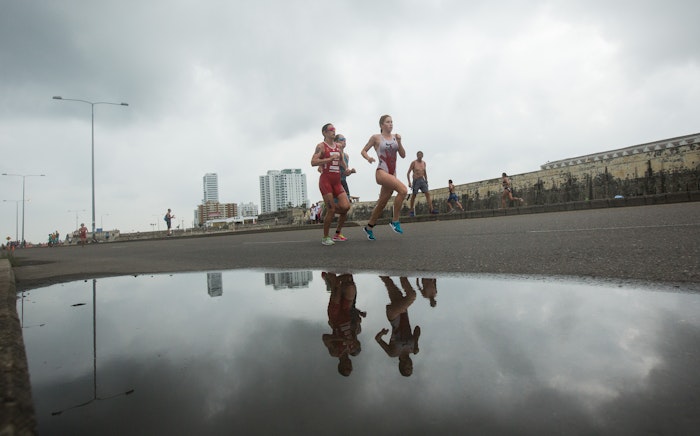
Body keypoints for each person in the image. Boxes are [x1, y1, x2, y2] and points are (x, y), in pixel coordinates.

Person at [360, 115, 408, 240]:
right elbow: (363, 151)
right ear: (382, 125)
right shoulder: (376, 138)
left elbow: (403, 155)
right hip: (381, 172)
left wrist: (399, 141)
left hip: (392, 174)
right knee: (403, 190)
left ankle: (369, 227)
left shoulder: (396, 137)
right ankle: (395, 221)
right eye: (388, 122)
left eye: (392, 122)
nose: (391, 124)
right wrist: (368, 158)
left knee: (382, 203)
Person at [311, 123, 351, 246]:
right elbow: (313, 162)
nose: (334, 131)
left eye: (334, 129)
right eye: (331, 129)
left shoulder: (338, 147)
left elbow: (341, 161)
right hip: (326, 181)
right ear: (324, 133)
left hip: (337, 182)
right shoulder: (321, 146)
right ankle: (325, 237)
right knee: (332, 209)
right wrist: (328, 160)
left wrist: (347, 169)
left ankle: (337, 233)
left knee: (346, 207)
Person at [375, 276, 421, 376]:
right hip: (403, 312)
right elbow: (417, 328)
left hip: (393, 316)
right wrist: (416, 342)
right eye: (411, 367)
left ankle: (403, 272)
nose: (411, 365)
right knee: (388, 281)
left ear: (401, 365)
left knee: (411, 296)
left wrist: (382, 333)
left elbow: (377, 339)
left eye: (408, 368)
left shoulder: (393, 353)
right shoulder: (413, 349)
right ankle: (401, 272)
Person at [322, 272, 365, 376]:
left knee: (337, 289)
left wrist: (341, 339)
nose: (349, 365)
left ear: (340, 366)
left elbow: (325, 338)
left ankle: (332, 281)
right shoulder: (353, 348)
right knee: (350, 286)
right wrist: (356, 324)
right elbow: (354, 331)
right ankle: (332, 281)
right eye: (350, 368)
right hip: (346, 314)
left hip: (335, 317)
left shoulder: (335, 352)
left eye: (346, 367)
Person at [332, 133, 356, 241]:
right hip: (334, 182)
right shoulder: (334, 154)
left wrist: (350, 172)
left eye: (345, 139)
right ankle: (329, 210)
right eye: (342, 139)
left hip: (343, 183)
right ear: (336, 142)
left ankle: (338, 233)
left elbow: (345, 173)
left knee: (346, 208)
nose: (344, 141)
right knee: (338, 207)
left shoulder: (346, 156)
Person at [406, 151, 438, 216]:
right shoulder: (414, 163)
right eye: (418, 155)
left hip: (422, 180)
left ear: (422, 156)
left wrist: (426, 180)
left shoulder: (424, 163)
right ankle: (411, 211)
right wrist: (409, 182)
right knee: (414, 195)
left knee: (427, 194)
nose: (419, 156)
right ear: (417, 156)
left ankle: (431, 209)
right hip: (416, 180)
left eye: (421, 155)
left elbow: (425, 173)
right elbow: (408, 173)